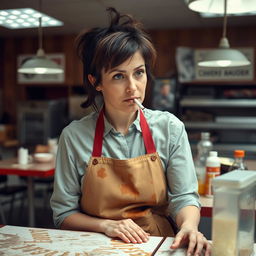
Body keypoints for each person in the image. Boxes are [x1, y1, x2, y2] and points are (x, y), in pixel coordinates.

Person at [50, 7, 211, 256]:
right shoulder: (74, 137)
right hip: (95, 245)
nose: (132, 87)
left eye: (139, 73)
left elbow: (184, 198)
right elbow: (63, 214)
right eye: (118, 76)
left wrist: (189, 226)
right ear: (96, 82)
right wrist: (106, 225)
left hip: (157, 244)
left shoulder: (170, 128)